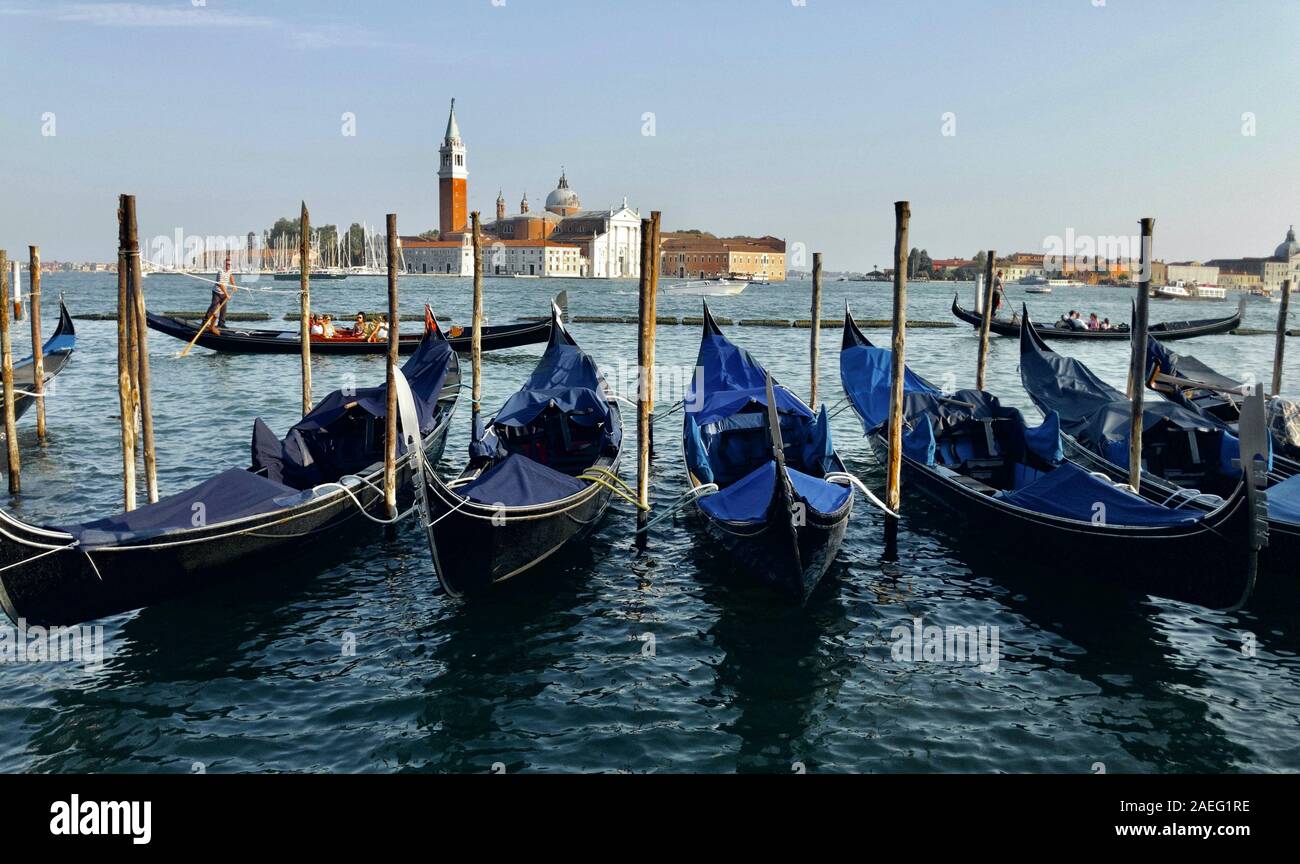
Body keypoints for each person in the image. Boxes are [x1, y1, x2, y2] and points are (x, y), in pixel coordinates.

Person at [205, 256, 237, 335]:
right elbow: (221, 285)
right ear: (224, 264)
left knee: (224, 309)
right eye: (227, 264)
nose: (228, 266)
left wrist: (234, 285)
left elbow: (231, 276)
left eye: (229, 265)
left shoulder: (229, 270)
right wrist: (227, 295)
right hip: (217, 292)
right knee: (213, 307)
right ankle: (204, 322)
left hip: (223, 292)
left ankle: (221, 324)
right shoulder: (221, 272)